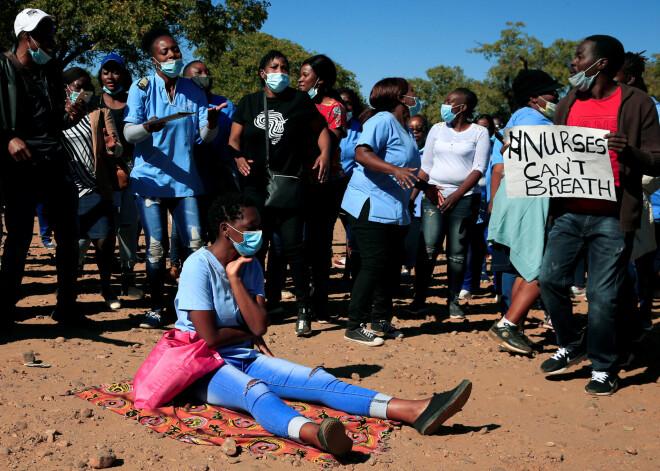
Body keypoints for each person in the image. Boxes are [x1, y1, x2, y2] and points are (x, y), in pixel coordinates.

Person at [173, 193, 472, 456]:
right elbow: (209, 338)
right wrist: (249, 332)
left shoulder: (247, 265)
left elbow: (259, 326)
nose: (259, 234)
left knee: (316, 379)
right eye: (251, 228)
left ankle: (413, 409)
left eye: (259, 227)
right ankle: (316, 435)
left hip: (242, 355)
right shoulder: (197, 267)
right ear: (226, 230)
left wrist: (236, 280)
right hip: (200, 366)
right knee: (256, 392)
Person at [538, 35, 660, 395]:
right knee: (549, 279)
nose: (572, 63)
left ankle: (604, 366)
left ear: (601, 63)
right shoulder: (569, 102)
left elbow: (657, 158)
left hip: (612, 216)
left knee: (601, 296)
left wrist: (631, 152)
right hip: (568, 213)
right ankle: (572, 341)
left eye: (578, 57)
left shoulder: (638, 104)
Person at [123, 27, 227, 329]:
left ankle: (195, 308)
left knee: (195, 245)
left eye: (175, 50)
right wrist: (148, 127)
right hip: (150, 182)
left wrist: (211, 122)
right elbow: (129, 133)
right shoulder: (141, 88)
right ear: (153, 59)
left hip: (185, 183)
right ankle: (156, 308)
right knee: (155, 247)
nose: (172, 56)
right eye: (164, 52)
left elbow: (204, 139)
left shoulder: (193, 90)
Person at [228, 50, 331, 337]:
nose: (281, 72)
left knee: (294, 250)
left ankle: (303, 310)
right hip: (255, 188)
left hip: (287, 186)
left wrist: (324, 154)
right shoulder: (248, 103)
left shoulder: (299, 101)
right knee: (255, 249)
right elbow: (233, 140)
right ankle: (253, 306)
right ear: (263, 73)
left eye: (285, 68)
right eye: (275, 67)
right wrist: (237, 158)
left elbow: (321, 129)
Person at [0, 9, 83, 325]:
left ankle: (67, 307)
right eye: (44, 35)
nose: (51, 42)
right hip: (21, 168)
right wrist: (8, 138)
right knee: (19, 238)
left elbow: (53, 122)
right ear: (26, 37)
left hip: (55, 164)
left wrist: (71, 115)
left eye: (51, 35)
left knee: (69, 236)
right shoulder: (3, 67)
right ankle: (5, 308)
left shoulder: (50, 73)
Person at [341, 77, 421, 346]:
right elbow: (362, 154)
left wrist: (426, 187)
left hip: (395, 208)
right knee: (374, 265)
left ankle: (380, 319)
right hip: (370, 205)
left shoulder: (404, 127)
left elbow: (407, 167)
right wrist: (394, 170)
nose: (415, 95)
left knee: (390, 267)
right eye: (411, 91)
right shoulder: (382, 120)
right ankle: (354, 325)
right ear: (400, 97)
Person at [486, 69, 562, 354]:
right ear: (534, 98)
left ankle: (513, 327)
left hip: (520, 197)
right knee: (544, 268)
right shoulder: (533, 121)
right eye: (552, 92)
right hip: (530, 200)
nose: (557, 97)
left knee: (526, 266)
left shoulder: (522, 118)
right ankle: (508, 324)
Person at [409, 88, 490, 319]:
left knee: (457, 253)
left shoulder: (479, 133)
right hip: (433, 196)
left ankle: (453, 301)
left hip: (464, 199)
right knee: (427, 249)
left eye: (448, 101)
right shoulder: (436, 129)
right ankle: (419, 299)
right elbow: (426, 166)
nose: (444, 105)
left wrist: (457, 195)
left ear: (462, 107)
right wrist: (415, 195)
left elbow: (479, 168)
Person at [61, 67, 127, 310]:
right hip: (68, 187)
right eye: (79, 86)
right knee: (68, 242)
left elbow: (117, 148)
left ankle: (106, 286)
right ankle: (68, 291)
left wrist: (112, 147)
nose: (84, 91)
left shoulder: (100, 112)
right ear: (66, 89)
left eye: (88, 87)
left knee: (104, 240)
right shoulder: (56, 113)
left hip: (95, 185)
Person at [297, 54, 347, 326]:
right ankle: (302, 301)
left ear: (321, 79)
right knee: (300, 245)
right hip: (297, 182)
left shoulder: (334, 107)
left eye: (306, 75)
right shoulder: (293, 103)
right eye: (300, 75)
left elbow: (331, 143)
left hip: (326, 183)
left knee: (321, 244)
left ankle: (321, 302)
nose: (300, 79)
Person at [614, 51, 660, 334]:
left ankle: (639, 320)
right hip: (615, 205)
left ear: (630, 79)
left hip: (650, 204)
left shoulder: (653, 110)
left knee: (644, 266)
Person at [96, 52, 143, 299]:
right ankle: (103, 283)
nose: (111, 77)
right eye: (106, 71)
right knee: (103, 229)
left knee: (129, 228)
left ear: (124, 74)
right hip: (102, 175)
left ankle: (128, 278)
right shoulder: (94, 103)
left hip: (132, 173)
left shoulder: (134, 101)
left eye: (115, 71)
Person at [459, 113, 496, 300]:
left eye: (487, 127)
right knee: (472, 249)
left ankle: (498, 288)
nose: (483, 130)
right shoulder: (471, 145)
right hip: (474, 202)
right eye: (479, 126)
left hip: (494, 203)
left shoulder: (498, 147)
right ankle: (468, 285)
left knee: (494, 246)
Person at [336, 87, 364, 281]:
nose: (345, 107)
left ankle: (352, 272)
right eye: (341, 102)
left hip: (352, 186)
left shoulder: (361, 129)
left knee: (352, 230)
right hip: (327, 184)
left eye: (349, 103)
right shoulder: (324, 125)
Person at [402, 114, 429, 277]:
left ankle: (424, 272)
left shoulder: (431, 151)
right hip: (406, 202)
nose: (415, 132)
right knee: (408, 240)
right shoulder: (404, 150)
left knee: (425, 242)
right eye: (411, 129)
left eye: (419, 129)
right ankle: (407, 267)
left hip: (425, 203)